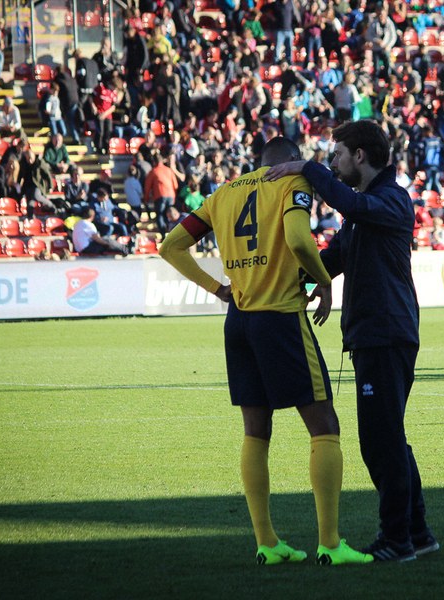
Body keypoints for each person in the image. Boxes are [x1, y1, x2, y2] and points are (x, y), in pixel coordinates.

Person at [159, 136, 373, 567]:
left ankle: (267, 543)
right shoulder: (292, 181)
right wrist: (324, 282)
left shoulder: (222, 194)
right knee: (324, 424)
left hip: (238, 321)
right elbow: (297, 239)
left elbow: (170, 246)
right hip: (280, 318)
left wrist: (217, 288)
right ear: (288, 161)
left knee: (255, 430)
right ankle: (330, 544)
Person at [265, 120, 436, 562]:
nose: (334, 163)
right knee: (389, 438)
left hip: (386, 334)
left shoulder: (391, 199)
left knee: (380, 443)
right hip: (375, 334)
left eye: (338, 154)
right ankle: (416, 532)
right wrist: (283, 282)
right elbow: (332, 259)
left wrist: (306, 168)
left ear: (360, 155)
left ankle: (397, 539)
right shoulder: (364, 211)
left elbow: (349, 203)